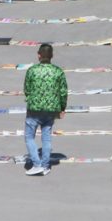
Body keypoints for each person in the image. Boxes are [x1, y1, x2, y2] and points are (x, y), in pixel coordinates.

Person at [23, 43, 68, 175]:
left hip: (34, 109)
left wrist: (31, 97)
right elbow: (63, 91)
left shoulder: (32, 70)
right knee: (46, 137)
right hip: (51, 110)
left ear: (39, 55)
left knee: (29, 137)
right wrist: (62, 107)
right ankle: (46, 165)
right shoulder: (58, 71)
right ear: (52, 56)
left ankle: (37, 164)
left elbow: (26, 89)